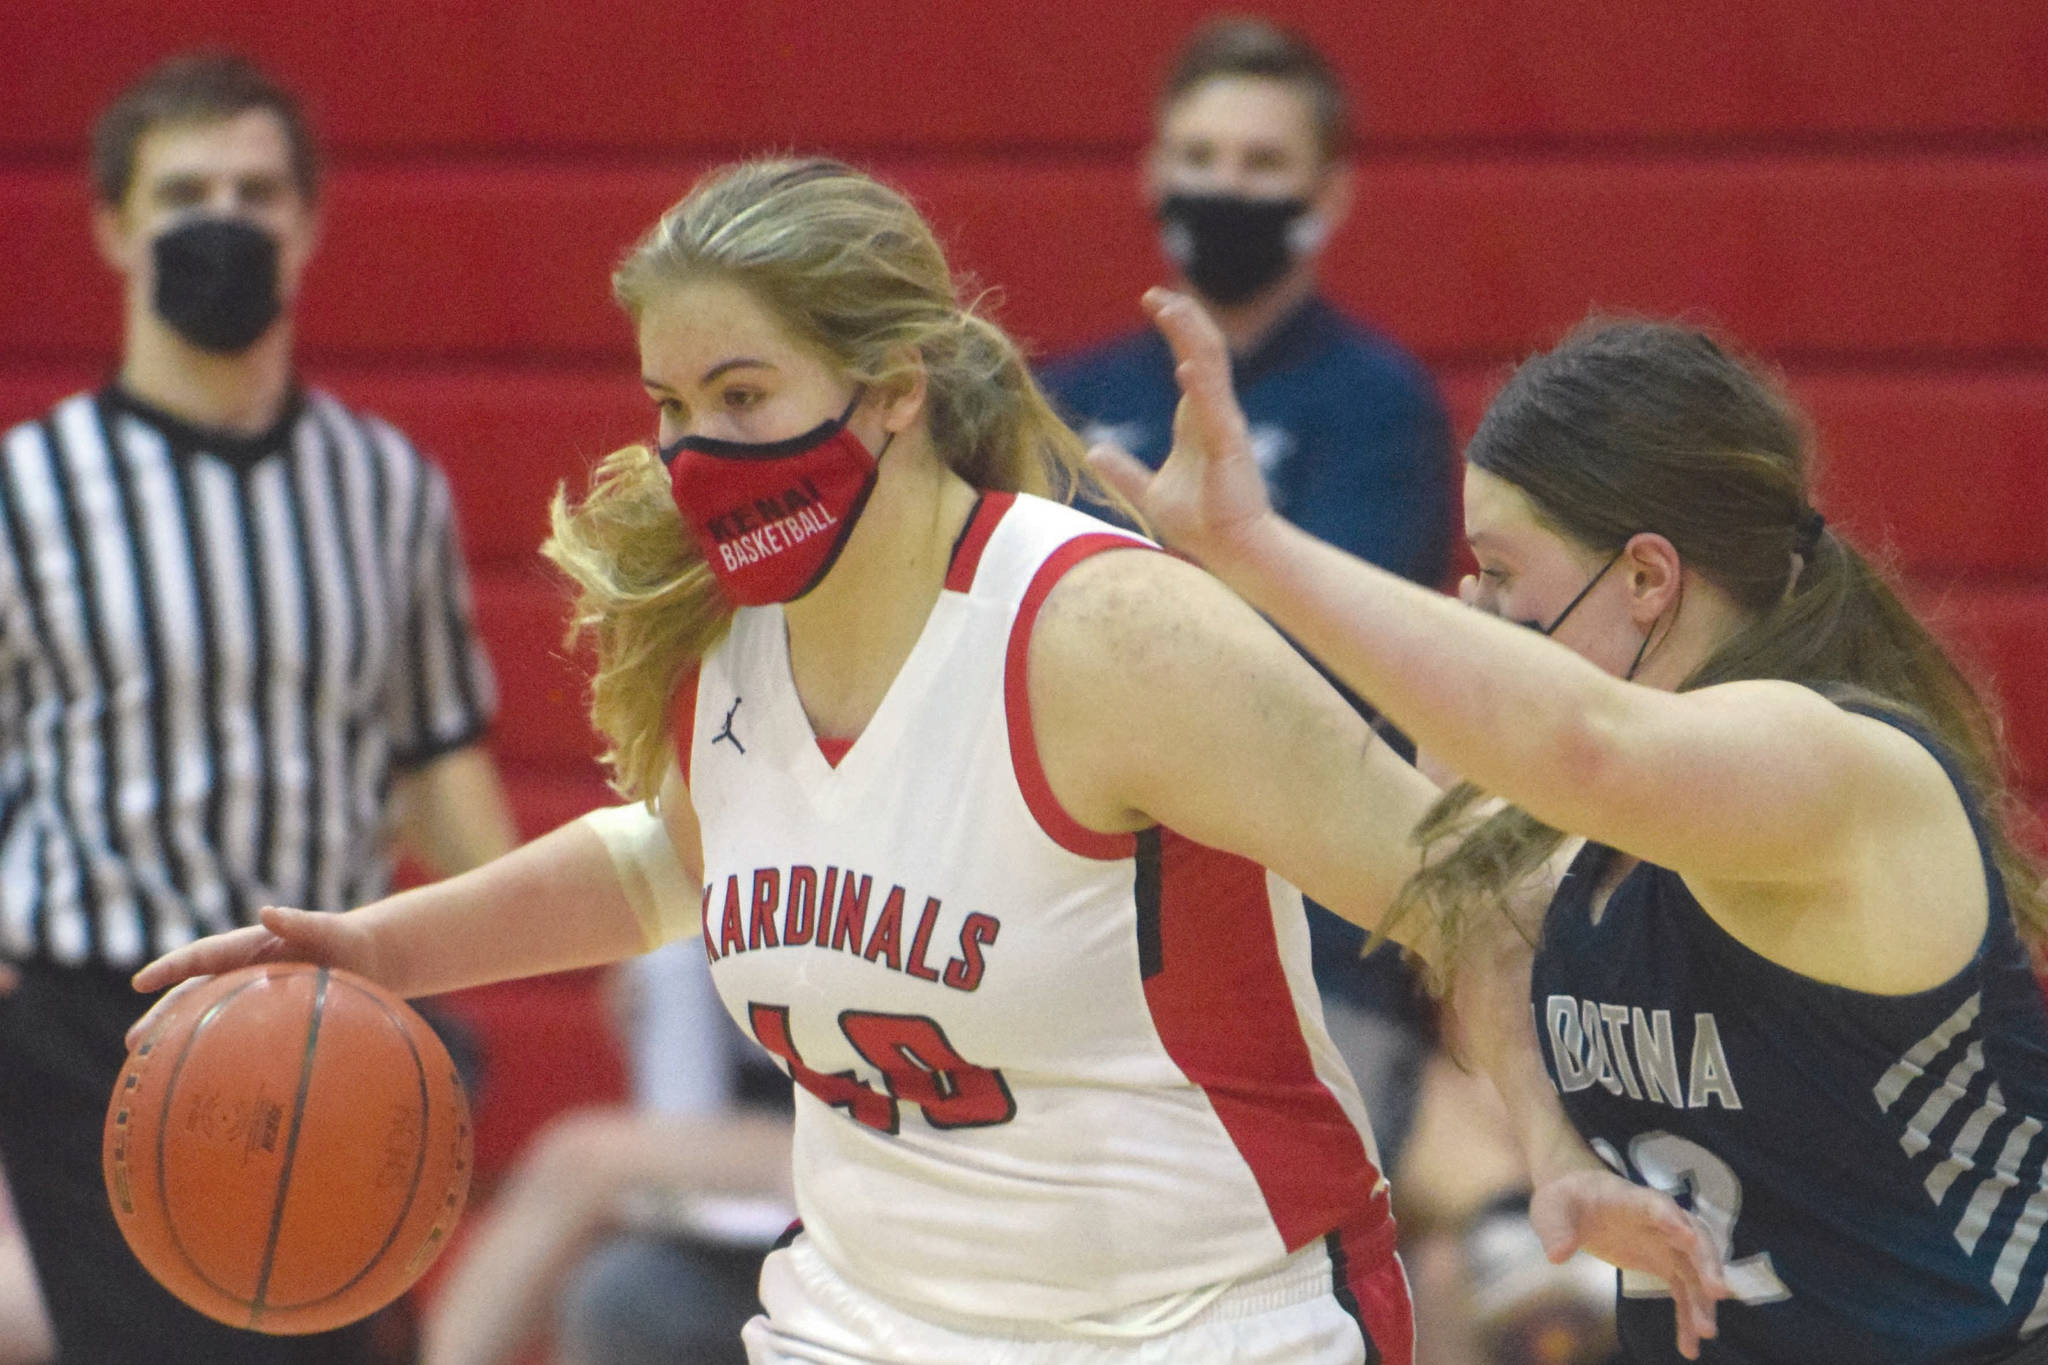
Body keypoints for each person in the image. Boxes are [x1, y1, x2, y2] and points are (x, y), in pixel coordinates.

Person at [127, 158, 1727, 1365]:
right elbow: (672, 858)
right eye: (671, 404)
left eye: (743, 394)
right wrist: (385, 948)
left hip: (1198, 1324)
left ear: (892, 390)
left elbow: (1463, 886)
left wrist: (1550, 1145)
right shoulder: (731, 629)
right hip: (863, 1321)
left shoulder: (1100, 634)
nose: (693, 452)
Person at [1090, 287, 2048, 1362]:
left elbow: (1588, 746)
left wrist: (1252, 546)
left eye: (1501, 574)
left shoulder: (1833, 764)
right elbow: (1489, 941)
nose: (1479, 608)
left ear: (1643, 577)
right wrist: (1553, 1150)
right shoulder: (1593, 823)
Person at [0, 51, 516, 1365]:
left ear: (309, 222)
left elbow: (434, 762)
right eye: (184, 192)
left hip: (330, 1023)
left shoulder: (387, 485)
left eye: (255, 190)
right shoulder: (24, 491)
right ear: (116, 227)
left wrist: (583, 912)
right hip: (90, 1031)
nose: (223, 218)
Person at [1041, 14, 1454, 1173]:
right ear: (1151, 173)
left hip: (1315, 940)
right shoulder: (1057, 398)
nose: (1226, 188)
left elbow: (1318, 662)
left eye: (1263, 164)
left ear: (1329, 193)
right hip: (1070, 922)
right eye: (1202, 158)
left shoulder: (1377, 406)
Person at [422, 941, 794, 1365]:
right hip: (754, 1179)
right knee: (617, 1290)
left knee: (581, 1160)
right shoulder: (717, 915)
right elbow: (686, 1096)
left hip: (846, 1152)